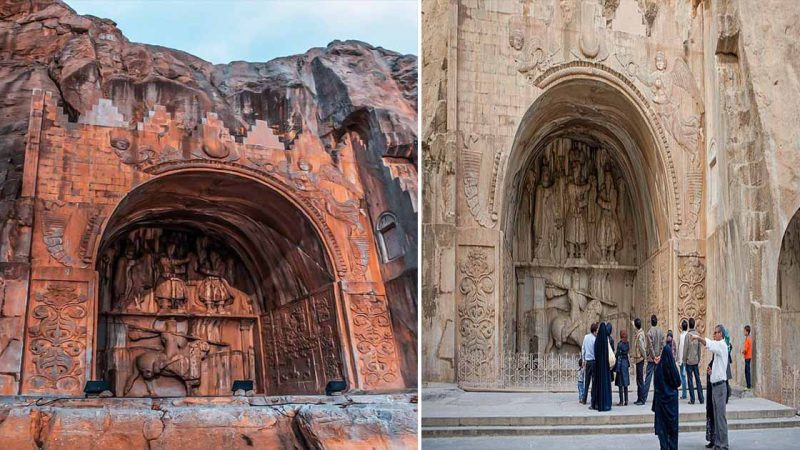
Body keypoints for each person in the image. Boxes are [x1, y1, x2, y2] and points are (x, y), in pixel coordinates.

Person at [690, 324, 729, 450]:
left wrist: (697, 337)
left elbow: (710, 343)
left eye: (716, 332)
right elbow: (719, 366)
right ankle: (718, 443)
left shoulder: (722, 345)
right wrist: (712, 371)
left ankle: (723, 445)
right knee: (716, 417)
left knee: (721, 417)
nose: (714, 334)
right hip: (715, 386)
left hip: (720, 387)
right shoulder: (719, 349)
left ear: (721, 334)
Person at [652, 338, 681, 449]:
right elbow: (678, 382)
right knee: (672, 432)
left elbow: (656, 386)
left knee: (663, 432)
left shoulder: (658, 369)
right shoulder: (672, 368)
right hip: (671, 405)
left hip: (661, 406)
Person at [641, 314, 664, 404]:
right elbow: (662, 345)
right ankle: (659, 397)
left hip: (652, 359)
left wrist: (654, 357)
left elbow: (650, 347)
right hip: (658, 358)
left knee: (648, 379)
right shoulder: (661, 331)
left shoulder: (649, 332)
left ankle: (643, 398)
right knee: (658, 378)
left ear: (651, 322)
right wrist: (659, 356)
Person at [591, 322, 613, 411]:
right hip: (605, 368)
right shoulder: (606, 342)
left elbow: (595, 354)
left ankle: (597, 403)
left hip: (598, 368)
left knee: (597, 385)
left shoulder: (597, 342)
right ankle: (606, 404)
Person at [683, 318, 704, 404]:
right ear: (694, 324)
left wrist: (684, 360)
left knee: (690, 380)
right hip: (695, 360)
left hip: (689, 361)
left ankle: (692, 399)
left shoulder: (687, 336)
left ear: (689, 324)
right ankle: (701, 398)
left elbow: (685, 349)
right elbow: (699, 349)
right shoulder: (697, 335)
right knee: (698, 379)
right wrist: (698, 359)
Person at [580, 322, 598, 404]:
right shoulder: (595, 339)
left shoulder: (586, 337)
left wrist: (583, 360)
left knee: (586, 381)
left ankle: (584, 399)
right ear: (595, 331)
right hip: (594, 362)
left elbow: (583, 349)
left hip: (587, 361)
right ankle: (592, 399)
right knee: (594, 381)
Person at [632, 318, 647, 405]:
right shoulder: (638, 333)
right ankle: (639, 398)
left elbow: (641, 347)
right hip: (638, 359)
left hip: (640, 359)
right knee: (639, 379)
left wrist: (644, 357)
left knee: (640, 380)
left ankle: (641, 399)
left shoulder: (640, 335)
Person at [615, 329, 631, 406]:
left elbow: (617, 354)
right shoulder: (627, 344)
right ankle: (626, 400)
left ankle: (621, 401)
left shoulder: (620, 344)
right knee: (625, 384)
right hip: (626, 363)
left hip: (620, 364)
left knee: (620, 383)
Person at [678, 320, 689, 400]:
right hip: (687, 359)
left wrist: (679, 359)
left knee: (683, 376)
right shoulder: (688, 335)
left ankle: (684, 394)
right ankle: (686, 393)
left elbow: (680, 348)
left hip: (682, 359)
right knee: (686, 376)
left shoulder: (682, 336)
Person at [742, 325, 752, 389]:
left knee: (747, 372)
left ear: (747, 332)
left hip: (747, 357)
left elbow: (746, 349)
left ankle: (748, 386)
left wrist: (743, 351)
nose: (743, 332)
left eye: (744, 331)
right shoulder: (748, 339)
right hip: (748, 357)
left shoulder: (748, 339)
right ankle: (748, 385)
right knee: (747, 371)